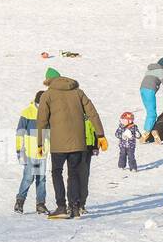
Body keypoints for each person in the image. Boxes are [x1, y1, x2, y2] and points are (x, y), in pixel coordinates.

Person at [36, 71, 105, 219]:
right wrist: (100, 135)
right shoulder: (78, 92)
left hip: (58, 144)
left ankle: (61, 207)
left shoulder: (47, 95)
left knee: (57, 172)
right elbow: (93, 113)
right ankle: (74, 207)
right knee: (73, 173)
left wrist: (40, 143)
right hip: (78, 143)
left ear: (49, 80)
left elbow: (41, 120)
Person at [13, 79, 50, 214]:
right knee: (29, 177)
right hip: (30, 152)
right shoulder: (27, 112)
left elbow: (50, 134)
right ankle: (20, 201)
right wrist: (19, 151)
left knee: (42, 178)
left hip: (43, 152)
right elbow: (20, 133)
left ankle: (40, 204)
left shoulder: (48, 113)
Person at [137, 56, 163, 139]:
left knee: (149, 112)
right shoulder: (160, 70)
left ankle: (148, 131)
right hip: (149, 91)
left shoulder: (150, 70)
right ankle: (146, 134)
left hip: (142, 90)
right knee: (152, 114)